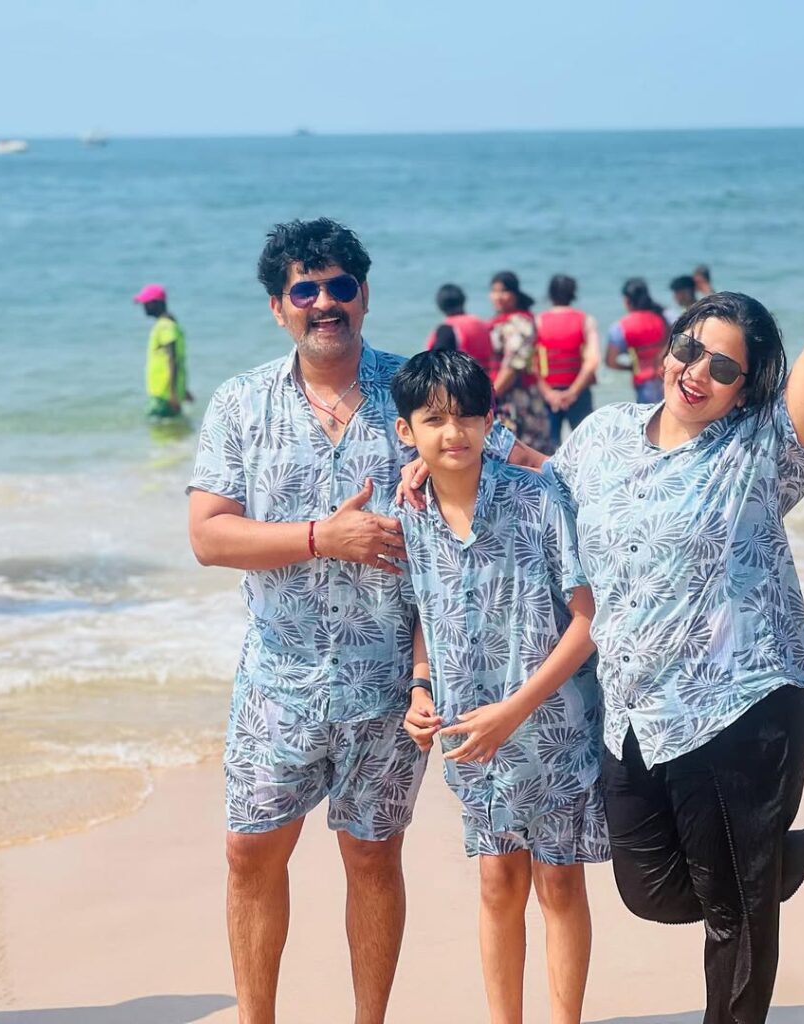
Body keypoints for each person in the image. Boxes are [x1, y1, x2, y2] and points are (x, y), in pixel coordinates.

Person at [402, 137, 804, 1024]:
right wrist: (434, 472)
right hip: (637, 711)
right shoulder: (600, 439)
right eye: (689, 349)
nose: (696, 369)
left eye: (723, 364)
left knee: (737, 916)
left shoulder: (764, 449)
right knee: (655, 891)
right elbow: (528, 496)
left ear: (748, 387)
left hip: (745, 702)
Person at [186, 217, 516, 1024]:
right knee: (248, 851)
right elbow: (208, 535)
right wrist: (320, 537)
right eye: (306, 290)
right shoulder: (240, 404)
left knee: (372, 858)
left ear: (363, 295)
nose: (324, 302)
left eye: (340, 286)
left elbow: (494, 515)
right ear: (279, 308)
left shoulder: (422, 398)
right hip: (278, 678)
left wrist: (425, 675)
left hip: (389, 687)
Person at [391, 349, 608, 1024]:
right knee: (495, 881)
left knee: (559, 881)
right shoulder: (413, 511)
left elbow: (588, 621)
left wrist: (514, 710)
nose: (452, 433)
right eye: (434, 420)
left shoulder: (539, 500)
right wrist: (420, 688)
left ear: (492, 422)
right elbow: (423, 610)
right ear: (408, 432)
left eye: (466, 418)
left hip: (553, 727)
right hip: (472, 737)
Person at [488, 270, 553, 452]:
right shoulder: (498, 322)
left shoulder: (520, 323)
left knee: (523, 452)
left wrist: (488, 397)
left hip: (518, 397)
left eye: (503, 291)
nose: (498, 297)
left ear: (515, 294)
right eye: (494, 291)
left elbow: (512, 366)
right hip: (501, 394)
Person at [535, 274, 600, 448]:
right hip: (579, 392)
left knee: (548, 448)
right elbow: (592, 361)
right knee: (587, 445)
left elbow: (530, 365)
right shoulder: (585, 320)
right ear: (573, 294)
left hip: (548, 394)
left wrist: (548, 394)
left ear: (550, 294)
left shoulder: (538, 321)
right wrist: (573, 392)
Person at [605, 277, 670, 403]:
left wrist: (630, 367)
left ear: (627, 300)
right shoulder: (663, 317)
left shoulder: (620, 327)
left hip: (644, 381)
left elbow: (610, 362)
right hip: (665, 377)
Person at [134, 283, 192, 418]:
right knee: (171, 428)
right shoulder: (170, 325)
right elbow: (178, 359)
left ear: (155, 304)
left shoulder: (165, 326)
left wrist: (173, 393)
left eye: (146, 303)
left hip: (163, 393)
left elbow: (173, 360)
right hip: (167, 392)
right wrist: (183, 389)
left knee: (157, 426)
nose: (144, 307)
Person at [426, 283, 495, 375]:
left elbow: (437, 364)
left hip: (462, 383)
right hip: (486, 379)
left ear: (440, 305)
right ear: (463, 300)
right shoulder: (482, 323)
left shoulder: (447, 329)